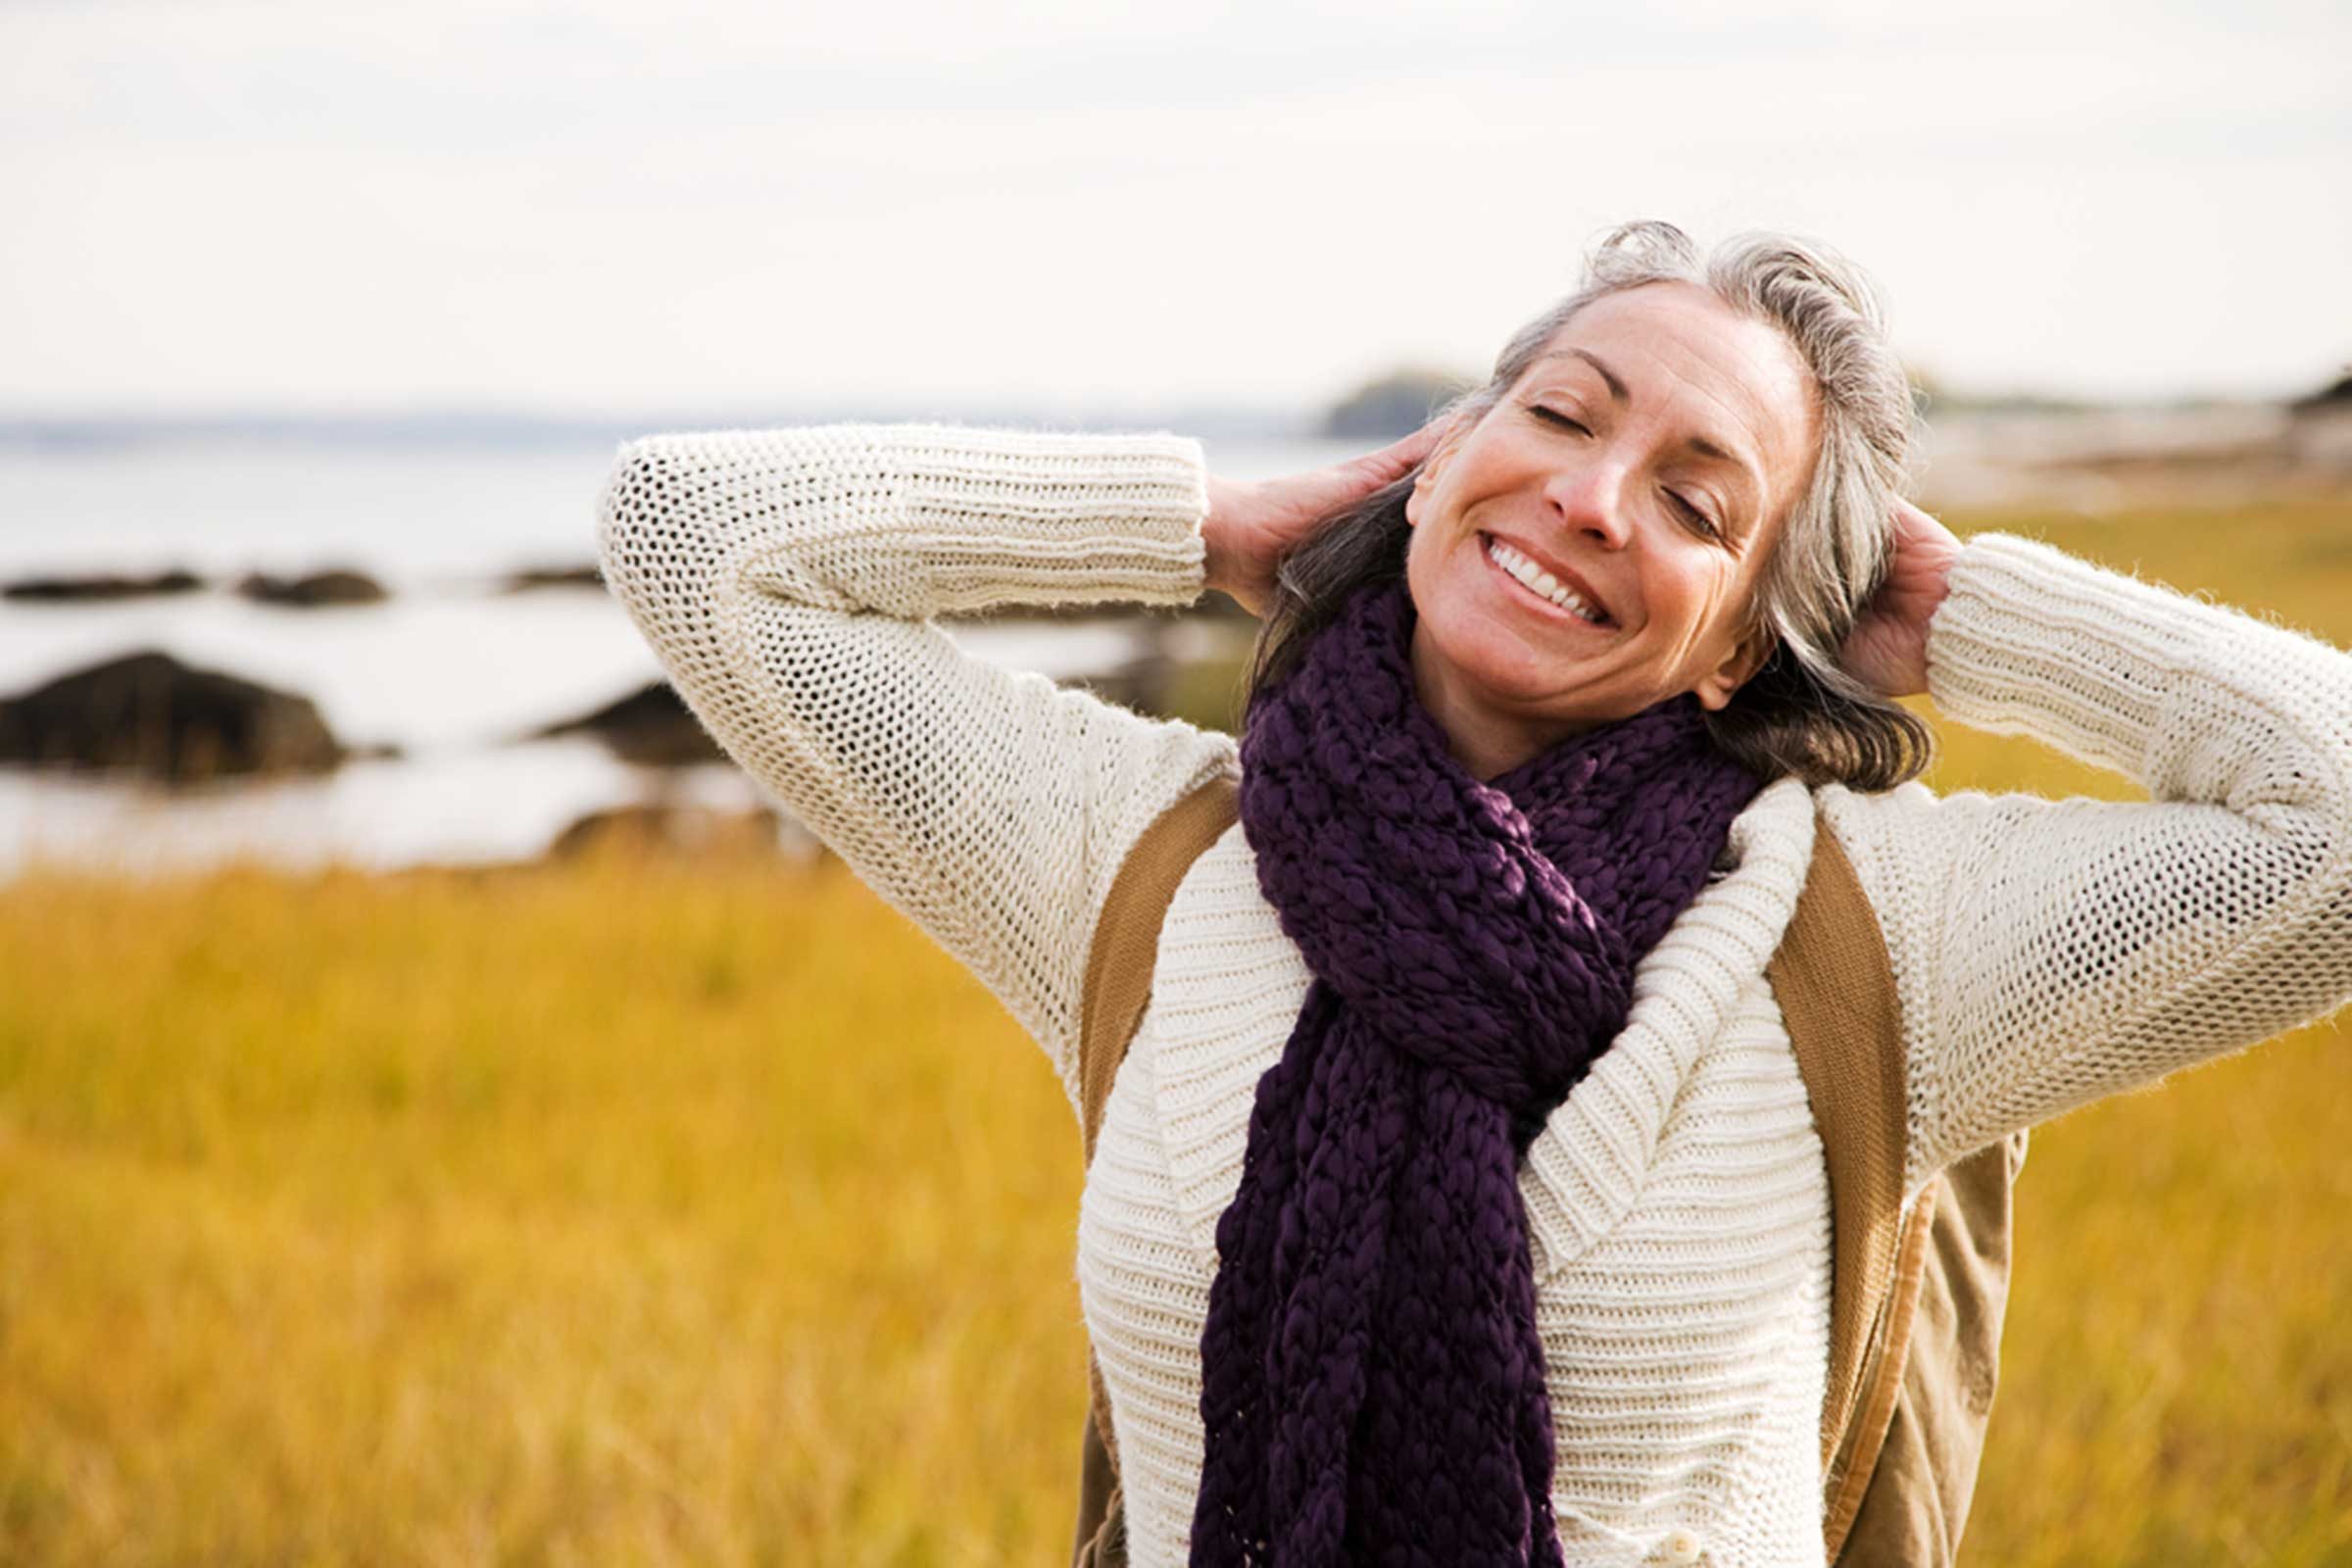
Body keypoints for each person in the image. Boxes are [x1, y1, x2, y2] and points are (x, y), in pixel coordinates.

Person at [593, 220, 2352, 1568]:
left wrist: (1961, 620)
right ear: (1442, 459)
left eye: (1693, 498)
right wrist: (1206, 527)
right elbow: (688, 539)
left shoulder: (1876, 936)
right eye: (1560, 417)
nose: (1588, 496)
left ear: (1749, 641)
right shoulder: (1150, 857)